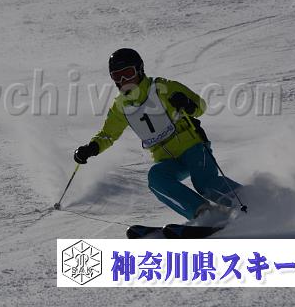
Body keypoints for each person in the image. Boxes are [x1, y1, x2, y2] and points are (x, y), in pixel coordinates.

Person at [73, 48, 242, 220]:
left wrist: (187, 104)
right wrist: (92, 147)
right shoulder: (120, 106)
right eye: (117, 76)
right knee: (156, 178)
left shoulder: (163, 88)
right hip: (167, 159)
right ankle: (203, 214)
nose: (123, 81)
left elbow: (200, 106)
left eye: (128, 74)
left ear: (139, 70)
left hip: (193, 148)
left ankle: (247, 199)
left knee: (204, 184)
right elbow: (108, 134)